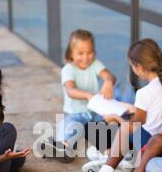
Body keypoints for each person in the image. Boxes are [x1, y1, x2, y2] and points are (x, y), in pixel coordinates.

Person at [68, 38, 162, 172]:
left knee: (114, 126)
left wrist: (117, 117)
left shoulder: (145, 93)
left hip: (150, 142)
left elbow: (135, 125)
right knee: (115, 125)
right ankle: (113, 161)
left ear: (139, 67)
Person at [42, 29, 117, 160]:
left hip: (94, 113)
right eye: (80, 53)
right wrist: (88, 95)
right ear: (71, 54)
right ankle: (62, 147)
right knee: (69, 126)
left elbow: (109, 76)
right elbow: (70, 91)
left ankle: (109, 153)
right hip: (75, 113)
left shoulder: (95, 64)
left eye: (90, 52)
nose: (86, 57)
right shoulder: (68, 69)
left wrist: (109, 81)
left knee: (106, 126)